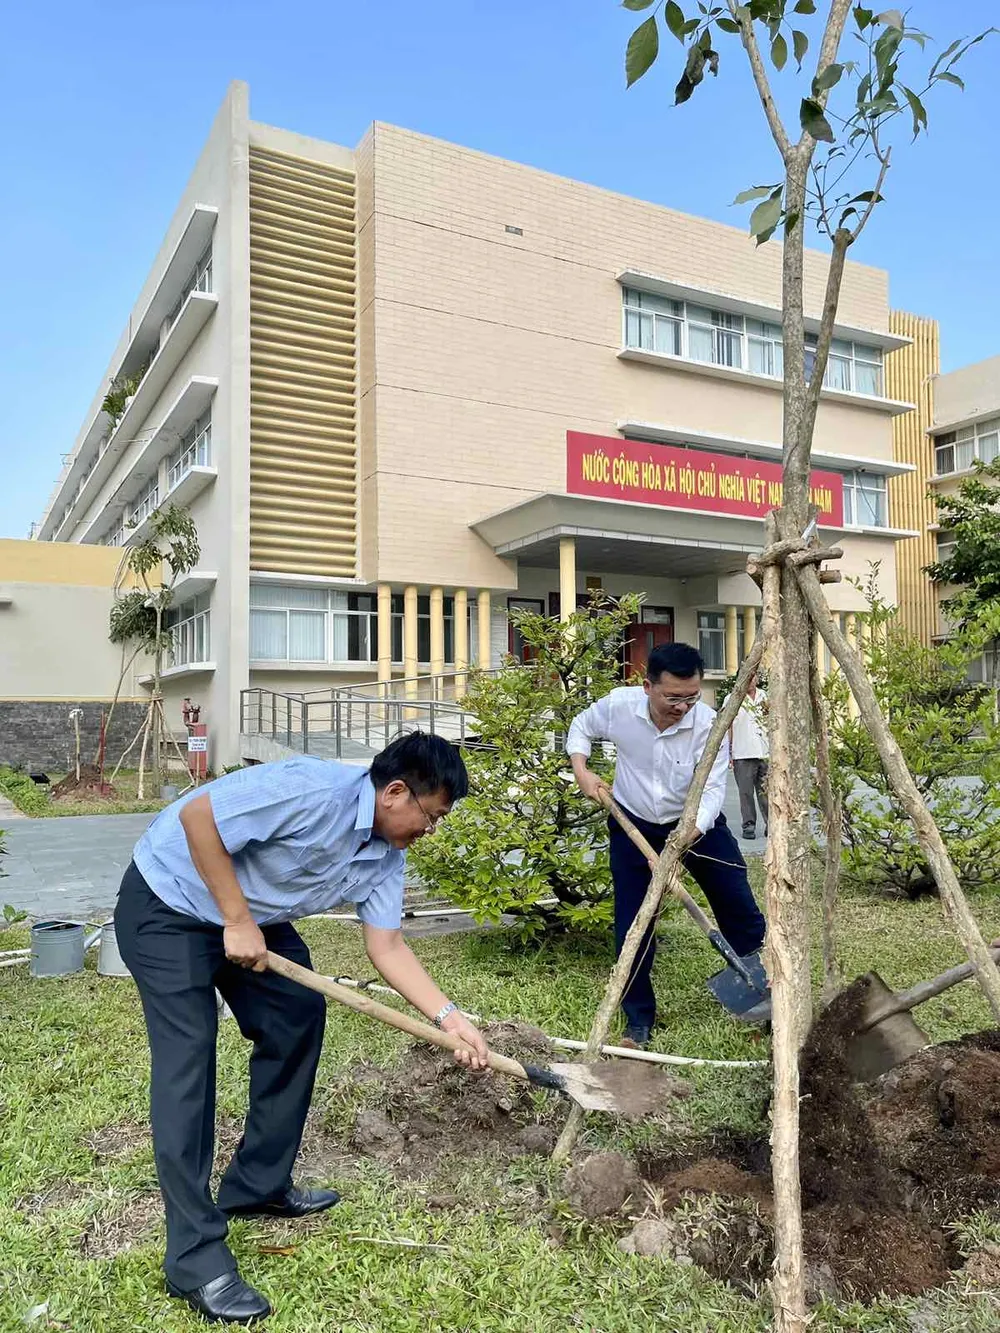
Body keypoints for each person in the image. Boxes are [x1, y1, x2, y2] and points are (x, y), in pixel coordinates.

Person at [114, 732, 488, 1325]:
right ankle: (194, 1259)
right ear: (395, 792)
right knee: (189, 1058)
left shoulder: (387, 854)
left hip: (254, 918)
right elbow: (197, 815)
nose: (430, 830)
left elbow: (387, 946)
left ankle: (257, 1184)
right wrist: (235, 920)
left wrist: (449, 1018)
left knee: (296, 1016)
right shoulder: (311, 789)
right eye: (431, 816)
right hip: (171, 903)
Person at [566, 642, 766, 1048]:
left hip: (694, 823)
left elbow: (711, 789)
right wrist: (581, 770)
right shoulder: (619, 706)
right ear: (647, 687)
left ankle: (760, 995)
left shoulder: (709, 722)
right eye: (673, 697)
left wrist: (690, 831)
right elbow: (581, 728)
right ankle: (638, 1019)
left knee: (738, 902)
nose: (682, 706)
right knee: (634, 923)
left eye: (691, 697)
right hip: (632, 822)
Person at [729, 671, 769, 841]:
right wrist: (729, 752)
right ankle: (749, 825)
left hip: (765, 752)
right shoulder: (733, 698)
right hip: (743, 753)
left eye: (754, 677)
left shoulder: (764, 696)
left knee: (766, 792)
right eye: (748, 677)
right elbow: (728, 726)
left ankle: (771, 825)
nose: (752, 680)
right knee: (746, 794)